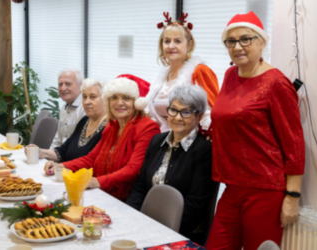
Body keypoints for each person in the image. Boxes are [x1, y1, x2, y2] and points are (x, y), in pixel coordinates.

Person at [206, 12, 305, 250]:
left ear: (262, 42)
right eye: (231, 41)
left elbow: (294, 143)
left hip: (265, 190)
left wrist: (292, 197)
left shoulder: (276, 84)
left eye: (245, 39)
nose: (237, 46)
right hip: (231, 187)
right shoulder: (230, 75)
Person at [126, 85, 217, 243]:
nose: (178, 117)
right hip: (145, 225)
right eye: (173, 110)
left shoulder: (204, 150)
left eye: (186, 112)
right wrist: (131, 217)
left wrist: (154, 229)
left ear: (199, 116)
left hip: (178, 232)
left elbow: (195, 205)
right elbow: (140, 187)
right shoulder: (157, 140)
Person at [55, 74, 161, 201]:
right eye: (114, 97)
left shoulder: (148, 127)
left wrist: (97, 182)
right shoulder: (111, 126)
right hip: (103, 193)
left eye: (126, 98)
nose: (119, 103)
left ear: (137, 102)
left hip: (126, 199)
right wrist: (61, 166)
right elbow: (91, 158)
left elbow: (133, 169)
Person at [148, 12, 220, 132]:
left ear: (189, 45)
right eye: (167, 41)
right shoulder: (163, 77)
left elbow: (210, 114)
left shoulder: (199, 71)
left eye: (177, 41)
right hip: (164, 141)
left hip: (192, 144)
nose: (171, 46)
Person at [25, 79, 107, 175]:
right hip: (66, 176)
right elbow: (63, 150)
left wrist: (62, 166)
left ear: (105, 100)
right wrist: (41, 152)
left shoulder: (109, 128)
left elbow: (93, 164)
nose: (87, 101)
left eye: (93, 97)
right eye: (84, 97)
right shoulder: (85, 121)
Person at [50, 68, 86, 149]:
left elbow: (81, 146)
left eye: (68, 84)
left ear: (81, 86)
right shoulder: (64, 108)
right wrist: (48, 157)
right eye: (60, 84)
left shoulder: (85, 109)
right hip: (61, 156)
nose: (63, 88)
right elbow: (58, 140)